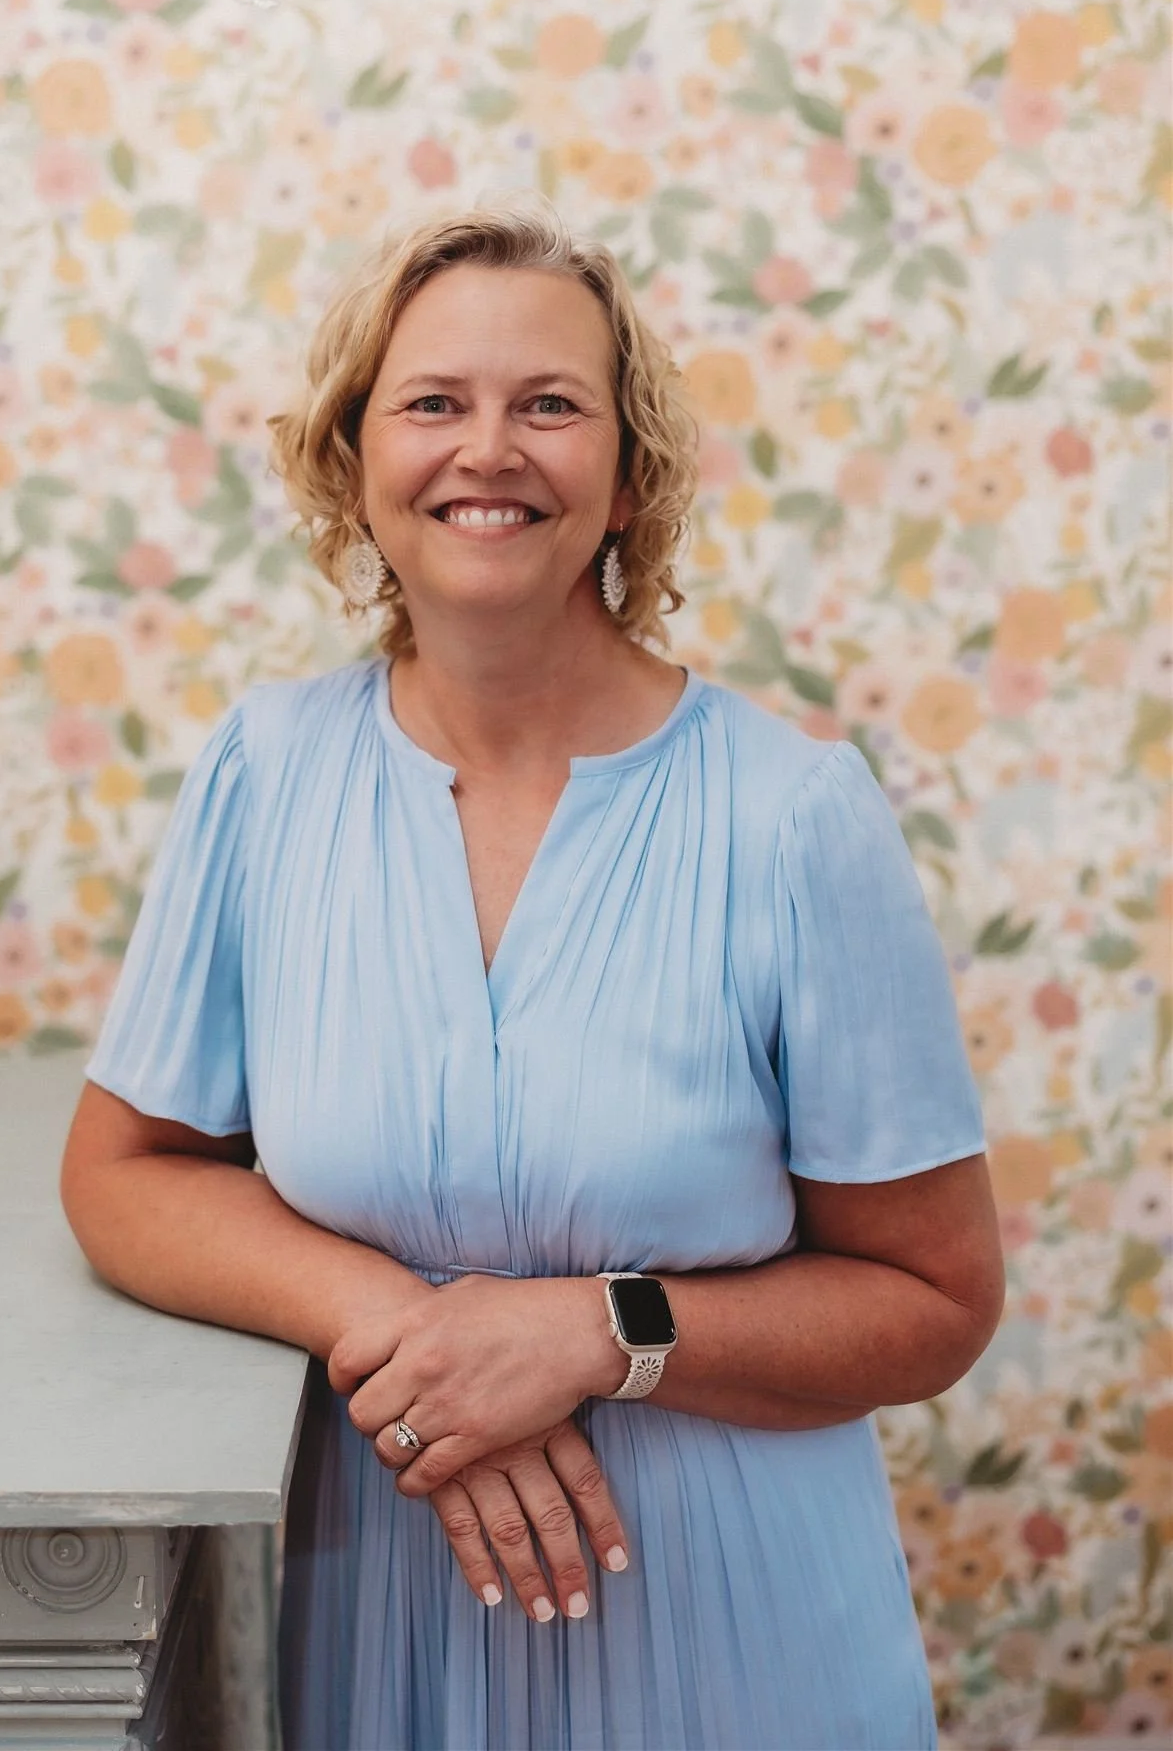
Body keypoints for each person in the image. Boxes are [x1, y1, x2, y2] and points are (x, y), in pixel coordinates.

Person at [60, 202, 1003, 1751]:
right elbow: (125, 1171)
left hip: (729, 1636)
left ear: (627, 479)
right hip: (385, 1603)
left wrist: (592, 1333)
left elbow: (935, 1300)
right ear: (355, 460)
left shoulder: (794, 818)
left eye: (548, 405)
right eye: (434, 402)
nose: (486, 449)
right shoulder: (264, 772)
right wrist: (409, 1335)